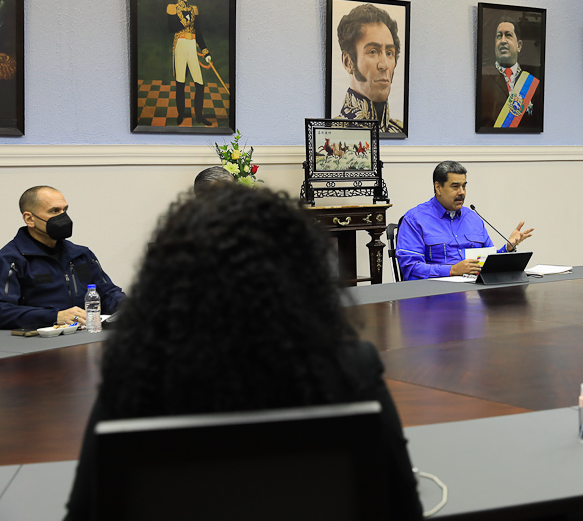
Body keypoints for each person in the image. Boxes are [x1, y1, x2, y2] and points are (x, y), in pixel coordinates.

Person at [64, 184, 422, 520]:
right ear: (302, 276)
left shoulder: (134, 376)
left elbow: (86, 510)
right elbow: (402, 504)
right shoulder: (351, 366)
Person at [0, 186, 125, 330]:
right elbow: (3, 310)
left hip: (85, 335)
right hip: (37, 342)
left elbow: (107, 292)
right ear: (29, 218)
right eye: (54, 211)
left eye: (64, 210)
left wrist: (130, 307)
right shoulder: (10, 259)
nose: (63, 217)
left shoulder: (81, 254)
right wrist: (55, 316)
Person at [396, 160, 534, 280]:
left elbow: (486, 260)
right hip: (434, 297)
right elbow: (410, 268)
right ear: (438, 187)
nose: (462, 192)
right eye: (455, 187)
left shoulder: (473, 218)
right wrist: (451, 270)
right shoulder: (415, 220)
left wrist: (507, 249)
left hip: (474, 295)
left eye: (464, 186)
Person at [335, 3, 403, 135]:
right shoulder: (332, 132)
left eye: (389, 53)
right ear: (348, 62)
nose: (384, 65)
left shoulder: (398, 129)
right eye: (373, 51)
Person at [478, 17, 543, 131]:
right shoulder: (483, 77)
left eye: (508, 35)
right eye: (499, 36)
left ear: (519, 45)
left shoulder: (533, 83)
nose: (503, 40)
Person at [166, 0, 213, 126]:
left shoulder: (194, 9)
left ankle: (199, 116)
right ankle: (181, 114)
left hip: (192, 46)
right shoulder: (172, 8)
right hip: (180, 46)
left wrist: (205, 51)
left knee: (199, 83)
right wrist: (185, 22)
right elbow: (171, 28)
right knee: (180, 82)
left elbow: (198, 32)